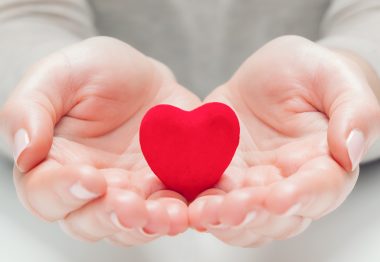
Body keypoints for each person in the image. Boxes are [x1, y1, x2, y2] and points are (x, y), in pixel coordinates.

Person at [0, 0, 380, 250]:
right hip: (47, 219)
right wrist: (49, 87)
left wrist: (358, 72)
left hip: (353, 213)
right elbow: (24, 12)